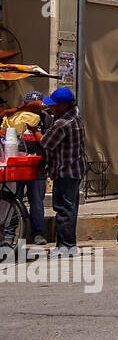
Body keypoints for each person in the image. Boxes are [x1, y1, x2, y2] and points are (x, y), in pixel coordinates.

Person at [36, 87, 86, 255]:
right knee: (70, 208)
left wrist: (34, 130)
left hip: (65, 171)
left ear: (64, 105)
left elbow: (46, 143)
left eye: (55, 105)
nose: (52, 108)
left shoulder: (62, 124)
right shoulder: (75, 115)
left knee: (64, 209)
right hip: (76, 169)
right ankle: (66, 245)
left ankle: (66, 246)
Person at [2, 93, 49, 245]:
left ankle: (38, 233)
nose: (34, 108)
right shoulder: (16, 117)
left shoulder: (45, 119)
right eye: (31, 105)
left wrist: (34, 129)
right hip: (17, 167)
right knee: (14, 200)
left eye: (36, 105)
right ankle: (10, 234)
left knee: (36, 202)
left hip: (38, 168)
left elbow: (48, 142)